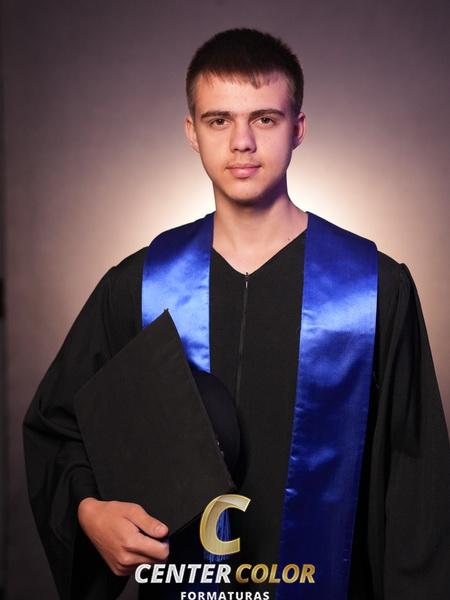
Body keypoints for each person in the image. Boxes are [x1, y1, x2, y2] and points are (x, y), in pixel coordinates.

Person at [23, 28, 450, 600]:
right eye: (219, 120)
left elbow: (418, 490)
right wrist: (88, 509)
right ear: (192, 133)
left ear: (298, 129)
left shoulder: (371, 292)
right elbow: (59, 427)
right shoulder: (142, 287)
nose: (241, 142)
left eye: (265, 119)